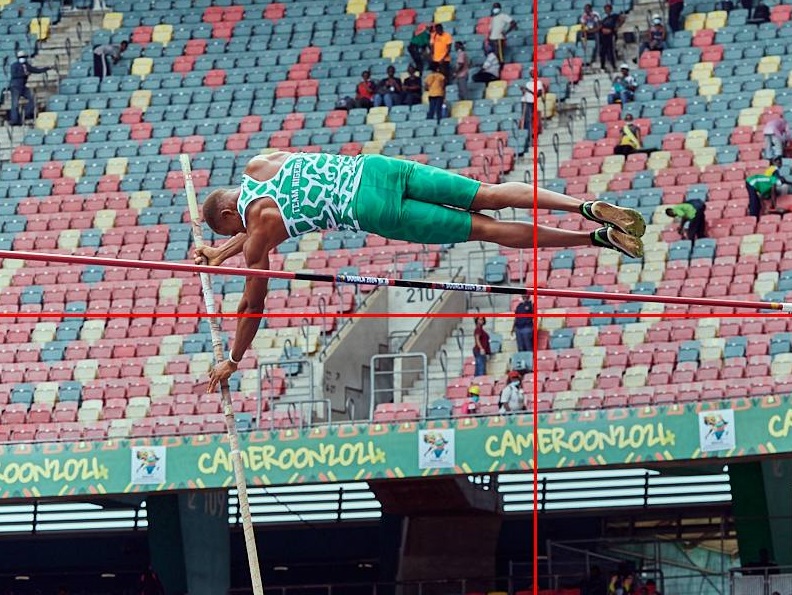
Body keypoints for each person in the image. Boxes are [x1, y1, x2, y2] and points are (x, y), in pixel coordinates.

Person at [197, 152, 646, 390]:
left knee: (484, 229)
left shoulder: (257, 229)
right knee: (488, 194)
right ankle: (583, 207)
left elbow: (251, 305)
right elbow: (259, 225)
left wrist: (233, 360)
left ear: (228, 219)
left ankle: (594, 240)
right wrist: (220, 255)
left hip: (372, 209)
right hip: (377, 168)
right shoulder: (261, 161)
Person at [8, 51, 51, 126]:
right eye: (21, 57)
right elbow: (14, 75)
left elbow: (36, 70)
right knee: (15, 104)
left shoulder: (27, 66)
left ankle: (25, 114)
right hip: (15, 86)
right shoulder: (14, 65)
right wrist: (24, 74)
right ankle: (14, 120)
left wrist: (45, 69)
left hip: (23, 87)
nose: (22, 59)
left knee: (32, 99)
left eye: (24, 57)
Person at [518, 78, 543, 158]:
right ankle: (527, 140)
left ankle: (533, 139)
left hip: (534, 104)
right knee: (526, 121)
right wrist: (525, 91)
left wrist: (528, 90)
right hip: (526, 102)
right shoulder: (528, 83)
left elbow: (538, 94)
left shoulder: (538, 83)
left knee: (534, 122)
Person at [598, 5, 624, 71]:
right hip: (603, 36)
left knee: (611, 51)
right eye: (605, 9)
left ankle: (614, 66)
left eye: (608, 9)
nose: (606, 10)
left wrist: (617, 26)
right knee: (602, 52)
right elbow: (600, 26)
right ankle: (602, 67)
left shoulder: (614, 16)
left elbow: (622, 19)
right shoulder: (603, 18)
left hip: (611, 35)